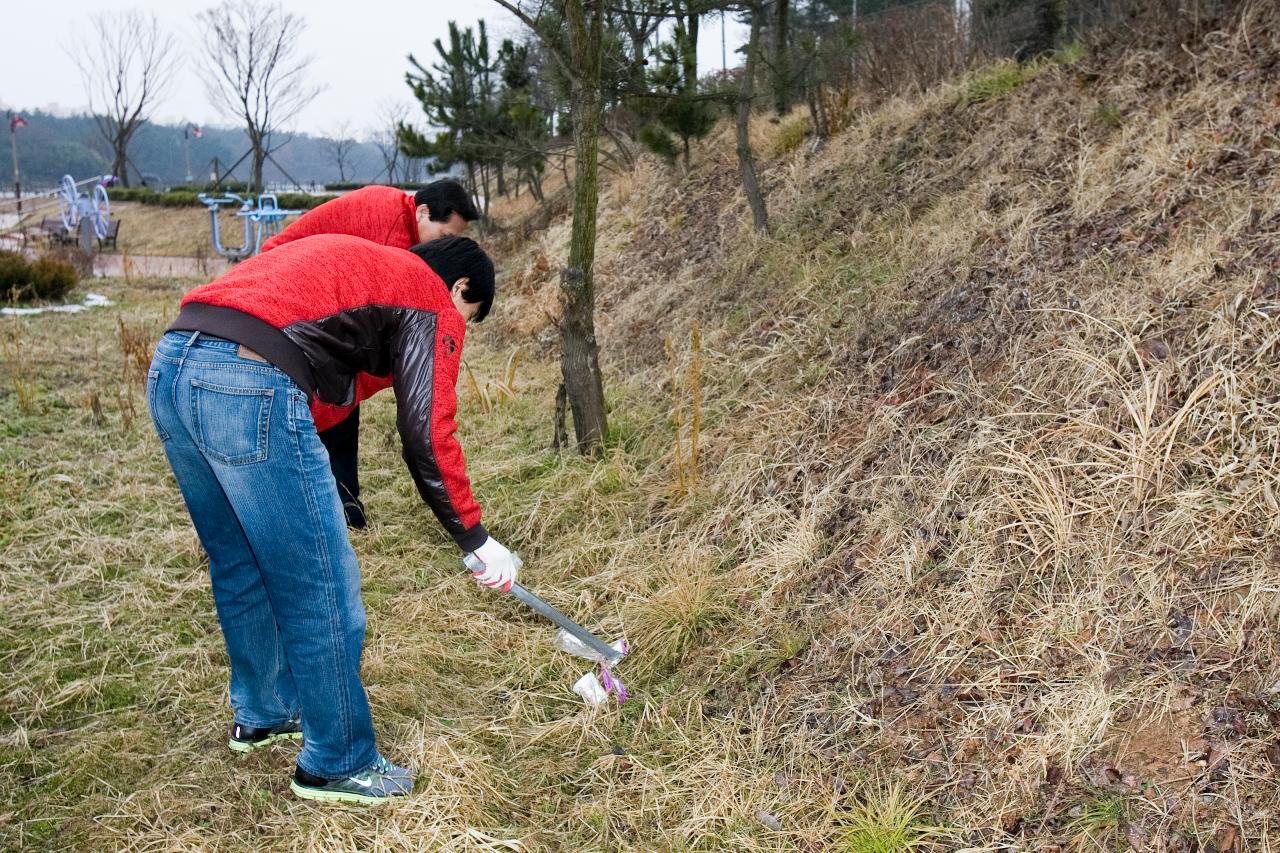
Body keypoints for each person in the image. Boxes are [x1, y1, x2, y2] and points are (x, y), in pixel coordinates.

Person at [146, 233, 521, 804]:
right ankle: (338, 760)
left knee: (239, 561)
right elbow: (426, 430)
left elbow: (328, 382)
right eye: (467, 317)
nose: (457, 331)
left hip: (173, 364)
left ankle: (267, 710)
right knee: (320, 580)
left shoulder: (372, 268)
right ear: (461, 288)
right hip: (246, 378)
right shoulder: (430, 296)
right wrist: (474, 536)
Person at [261, 180, 482, 530]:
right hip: (285, 297)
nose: (444, 247)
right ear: (422, 212)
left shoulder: (400, 221)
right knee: (330, 404)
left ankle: (344, 504)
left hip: (308, 304)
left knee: (342, 400)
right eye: (443, 236)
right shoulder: (392, 233)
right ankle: (335, 509)